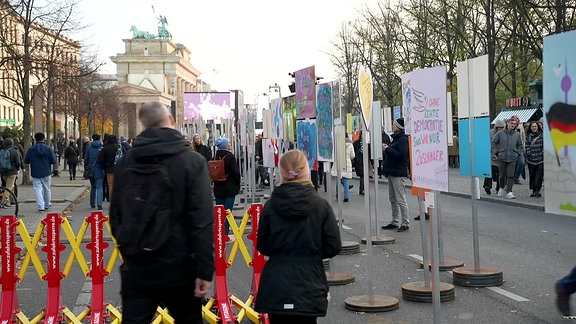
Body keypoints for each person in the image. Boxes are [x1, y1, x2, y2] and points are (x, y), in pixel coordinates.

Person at [110, 101, 214, 324]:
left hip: (138, 266)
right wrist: (204, 269)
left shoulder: (125, 163)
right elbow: (201, 221)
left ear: (142, 124)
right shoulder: (192, 162)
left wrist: (129, 250)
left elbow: (116, 215)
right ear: (172, 121)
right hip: (180, 266)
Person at [255, 149, 341, 324]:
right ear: (306, 170)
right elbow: (333, 246)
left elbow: (262, 245)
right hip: (310, 279)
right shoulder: (321, 206)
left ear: (281, 172)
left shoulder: (271, 206)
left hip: (277, 281)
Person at [380, 118, 411, 232]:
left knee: (400, 198)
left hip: (398, 173)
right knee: (393, 198)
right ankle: (395, 221)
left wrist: (388, 149)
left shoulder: (403, 139)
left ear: (398, 126)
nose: (392, 126)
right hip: (392, 172)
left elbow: (401, 156)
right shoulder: (396, 138)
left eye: (394, 124)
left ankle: (405, 222)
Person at [213, 137, 241, 239]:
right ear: (225, 145)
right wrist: (238, 183)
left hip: (218, 188)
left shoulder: (215, 156)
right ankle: (225, 233)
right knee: (228, 212)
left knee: (219, 212)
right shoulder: (230, 157)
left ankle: (219, 233)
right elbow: (235, 172)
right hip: (229, 188)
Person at [24, 132, 57, 212]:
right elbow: (53, 160)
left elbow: (26, 161)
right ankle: (47, 204)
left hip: (35, 172)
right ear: (44, 138)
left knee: (37, 189)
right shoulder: (48, 148)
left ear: (35, 139)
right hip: (46, 171)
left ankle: (40, 206)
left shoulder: (31, 149)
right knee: (47, 189)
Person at [491, 118, 523, 199]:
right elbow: (493, 143)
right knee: (502, 175)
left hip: (513, 158)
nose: (513, 125)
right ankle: (501, 188)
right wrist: (496, 152)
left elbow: (520, 145)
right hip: (501, 157)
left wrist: (517, 152)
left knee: (510, 175)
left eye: (515, 124)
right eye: (512, 123)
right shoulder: (500, 133)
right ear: (507, 123)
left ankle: (509, 191)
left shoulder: (517, 134)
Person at [483, 120, 505, 195]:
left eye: (501, 127)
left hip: (501, 156)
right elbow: (486, 143)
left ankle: (499, 187)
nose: (500, 128)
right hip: (491, 155)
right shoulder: (490, 133)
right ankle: (487, 186)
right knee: (490, 172)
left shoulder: (505, 133)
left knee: (500, 173)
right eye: (498, 127)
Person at [0, 138, 24, 206]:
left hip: (3, 172)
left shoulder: (1, 151)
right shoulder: (14, 151)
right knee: (9, 187)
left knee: (11, 186)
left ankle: (12, 201)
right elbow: (18, 162)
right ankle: (4, 201)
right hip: (12, 172)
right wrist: (17, 169)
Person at [331, 137, 355, 202]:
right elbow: (353, 155)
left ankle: (337, 196)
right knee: (346, 180)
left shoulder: (338, 144)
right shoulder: (350, 145)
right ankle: (346, 196)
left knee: (338, 180)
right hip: (347, 163)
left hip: (339, 162)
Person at [97, 134, 120, 202]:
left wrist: (105, 166)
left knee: (110, 185)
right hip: (118, 169)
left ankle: (111, 198)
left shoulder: (105, 149)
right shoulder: (118, 148)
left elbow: (100, 160)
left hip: (109, 169)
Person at [84, 134, 104, 210]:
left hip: (90, 169)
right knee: (99, 187)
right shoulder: (101, 148)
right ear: (99, 139)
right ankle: (99, 204)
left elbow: (86, 159)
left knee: (93, 187)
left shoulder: (89, 147)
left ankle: (92, 203)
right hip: (99, 169)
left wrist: (86, 166)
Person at [525, 121, 544, 197]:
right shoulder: (528, 136)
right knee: (532, 175)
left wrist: (541, 154)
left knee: (539, 175)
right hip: (531, 159)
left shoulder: (542, 135)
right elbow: (526, 146)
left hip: (540, 159)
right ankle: (533, 190)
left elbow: (544, 146)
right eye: (532, 126)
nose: (534, 128)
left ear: (538, 127)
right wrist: (529, 153)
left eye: (535, 126)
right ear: (530, 128)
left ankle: (537, 190)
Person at [512, 116, 526, 184]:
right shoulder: (510, 126)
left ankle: (516, 177)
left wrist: (524, 147)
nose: (516, 120)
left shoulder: (520, 127)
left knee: (521, 162)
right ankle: (512, 179)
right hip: (512, 148)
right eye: (515, 118)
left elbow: (523, 138)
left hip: (519, 148)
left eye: (517, 119)